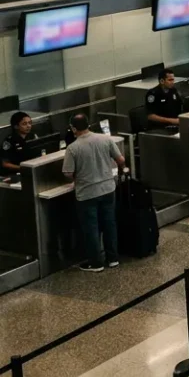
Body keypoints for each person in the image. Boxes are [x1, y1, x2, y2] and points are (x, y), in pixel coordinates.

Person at [62, 114, 125, 272]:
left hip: (87, 193)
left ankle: (96, 263)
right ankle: (113, 258)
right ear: (89, 124)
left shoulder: (73, 148)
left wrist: (78, 177)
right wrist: (119, 170)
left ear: (74, 128)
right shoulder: (105, 139)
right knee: (109, 224)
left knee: (91, 228)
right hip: (108, 188)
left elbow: (68, 173)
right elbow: (121, 159)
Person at [2, 112, 34, 178]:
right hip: (15, 174)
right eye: (24, 124)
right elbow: (5, 164)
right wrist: (23, 168)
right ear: (16, 126)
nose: (28, 126)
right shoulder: (9, 141)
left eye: (30, 123)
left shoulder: (32, 136)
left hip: (32, 169)